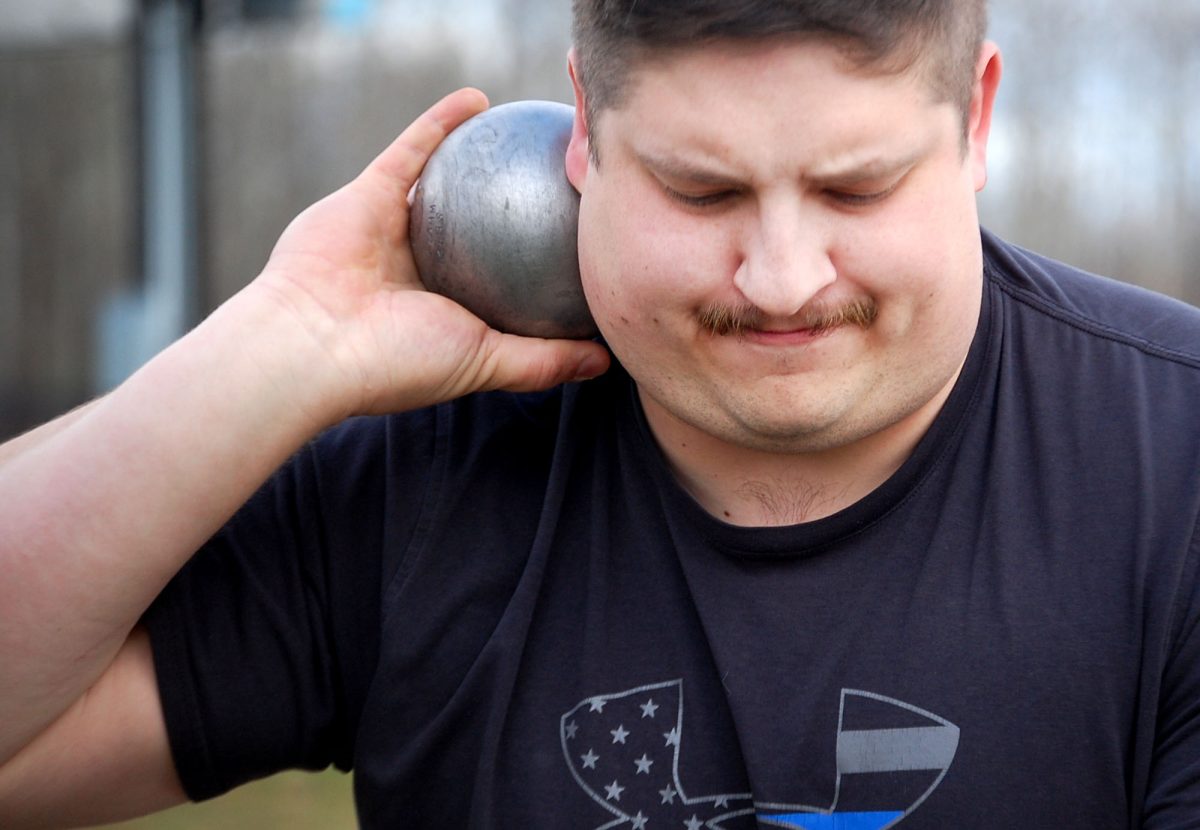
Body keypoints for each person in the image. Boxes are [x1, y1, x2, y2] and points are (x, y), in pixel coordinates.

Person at [1, 0, 1198, 826]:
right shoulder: (428, 461)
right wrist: (281, 347)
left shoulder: (1176, 468)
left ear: (978, 121)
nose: (782, 275)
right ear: (582, 132)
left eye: (854, 185)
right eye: (701, 187)